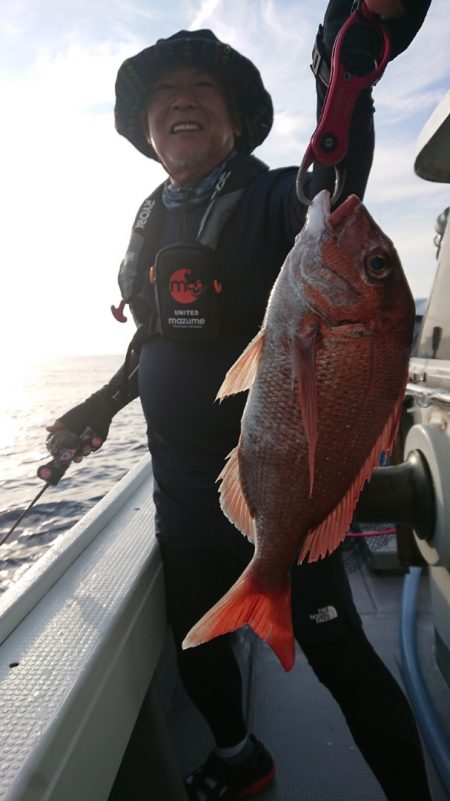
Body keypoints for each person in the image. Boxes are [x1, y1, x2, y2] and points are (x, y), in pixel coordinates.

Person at [47, 2, 433, 799]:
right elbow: (153, 338)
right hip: (181, 492)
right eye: (163, 92)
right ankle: (238, 756)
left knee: (342, 659)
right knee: (195, 643)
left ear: (235, 118)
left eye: (201, 86)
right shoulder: (151, 221)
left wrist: (348, 54)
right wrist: (101, 408)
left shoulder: (276, 200)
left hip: (285, 483)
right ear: (145, 125)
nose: (180, 100)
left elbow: (336, 172)